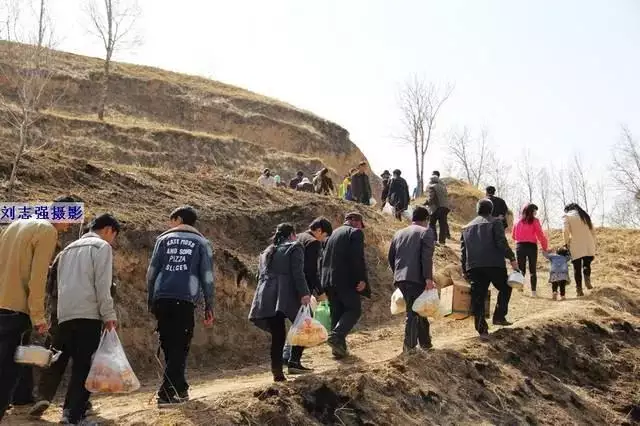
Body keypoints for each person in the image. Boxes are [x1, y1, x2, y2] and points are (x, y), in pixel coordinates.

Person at [0, 196, 74, 421]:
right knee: (6, 371)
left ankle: (22, 398)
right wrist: (38, 316)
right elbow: (38, 277)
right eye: (70, 217)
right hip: (17, 307)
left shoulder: (16, 224)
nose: (69, 225)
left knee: (14, 357)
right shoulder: (47, 231)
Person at [41, 214, 120, 425]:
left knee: (64, 361)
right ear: (108, 230)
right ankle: (73, 416)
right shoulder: (101, 248)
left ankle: (63, 408)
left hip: (65, 314)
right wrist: (109, 315)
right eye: (114, 236)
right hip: (88, 314)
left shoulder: (67, 250)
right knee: (83, 366)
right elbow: (102, 286)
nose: (112, 240)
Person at [147, 206, 215, 406]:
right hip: (184, 299)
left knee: (169, 345)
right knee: (180, 347)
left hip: (162, 298)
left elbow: (151, 272)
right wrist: (209, 305)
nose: (170, 225)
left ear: (178, 219)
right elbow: (207, 277)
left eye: (171, 220)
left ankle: (181, 388)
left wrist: (151, 299)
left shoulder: (162, 240)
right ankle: (166, 394)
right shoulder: (202, 243)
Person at [249, 223, 311, 382]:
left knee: (278, 335)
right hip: (286, 293)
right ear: (292, 234)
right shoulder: (294, 247)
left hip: (265, 294)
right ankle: (294, 362)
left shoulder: (266, 251)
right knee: (303, 324)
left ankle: (277, 371)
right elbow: (298, 273)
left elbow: (259, 276)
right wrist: (304, 293)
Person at [460, 199, 519, 339]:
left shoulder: (466, 227)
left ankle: (482, 330)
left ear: (477, 210)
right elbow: (501, 242)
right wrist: (512, 259)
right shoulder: (495, 222)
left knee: (478, 297)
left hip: (473, 266)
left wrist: (464, 270)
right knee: (505, 287)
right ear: (491, 210)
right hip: (494, 264)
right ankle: (499, 317)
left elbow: (463, 251)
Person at [281, 218, 333, 374]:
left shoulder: (299, 237)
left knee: (297, 324)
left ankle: (286, 356)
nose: (323, 239)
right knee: (305, 325)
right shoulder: (313, 242)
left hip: (288, 288)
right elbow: (311, 271)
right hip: (301, 290)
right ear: (318, 230)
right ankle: (294, 362)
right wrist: (320, 292)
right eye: (324, 235)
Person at [320, 212, 369, 359]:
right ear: (355, 221)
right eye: (361, 225)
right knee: (354, 310)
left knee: (337, 312)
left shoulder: (331, 235)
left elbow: (322, 259)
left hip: (328, 280)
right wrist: (361, 279)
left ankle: (338, 350)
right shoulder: (355, 233)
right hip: (345, 280)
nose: (361, 228)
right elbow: (357, 258)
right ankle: (336, 336)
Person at [388, 206, 436, 352]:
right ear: (426, 219)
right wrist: (428, 278)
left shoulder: (399, 233)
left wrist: (398, 273)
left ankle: (426, 343)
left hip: (401, 278)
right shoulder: (426, 232)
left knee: (418, 308)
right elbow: (426, 257)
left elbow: (391, 257)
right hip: (416, 278)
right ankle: (409, 346)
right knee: (413, 312)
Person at [512, 203, 549, 298]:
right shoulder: (535, 221)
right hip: (531, 246)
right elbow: (540, 235)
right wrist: (545, 247)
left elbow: (513, 236)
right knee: (532, 270)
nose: (536, 212)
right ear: (531, 211)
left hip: (520, 246)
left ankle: (520, 289)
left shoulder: (517, 222)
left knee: (521, 269)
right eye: (535, 211)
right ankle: (533, 292)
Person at [563, 203, 596, 297]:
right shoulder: (585, 215)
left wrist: (566, 243)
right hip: (588, 243)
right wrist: (594, 243)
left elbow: (566, 231)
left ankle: (579, 290)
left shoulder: (567, 216)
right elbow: (593, 231)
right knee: (587, 264)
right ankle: (587, 279)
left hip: (576, 244)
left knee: (577, 268)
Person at [425, 173, 450, 244]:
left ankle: (434, 240)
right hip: (445, 208)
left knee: (432, 223)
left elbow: (431, 198)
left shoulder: (432, 186)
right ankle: (442, 241)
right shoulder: (443, 187)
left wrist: (426, 203)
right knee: (442, 225)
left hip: (437, 208)